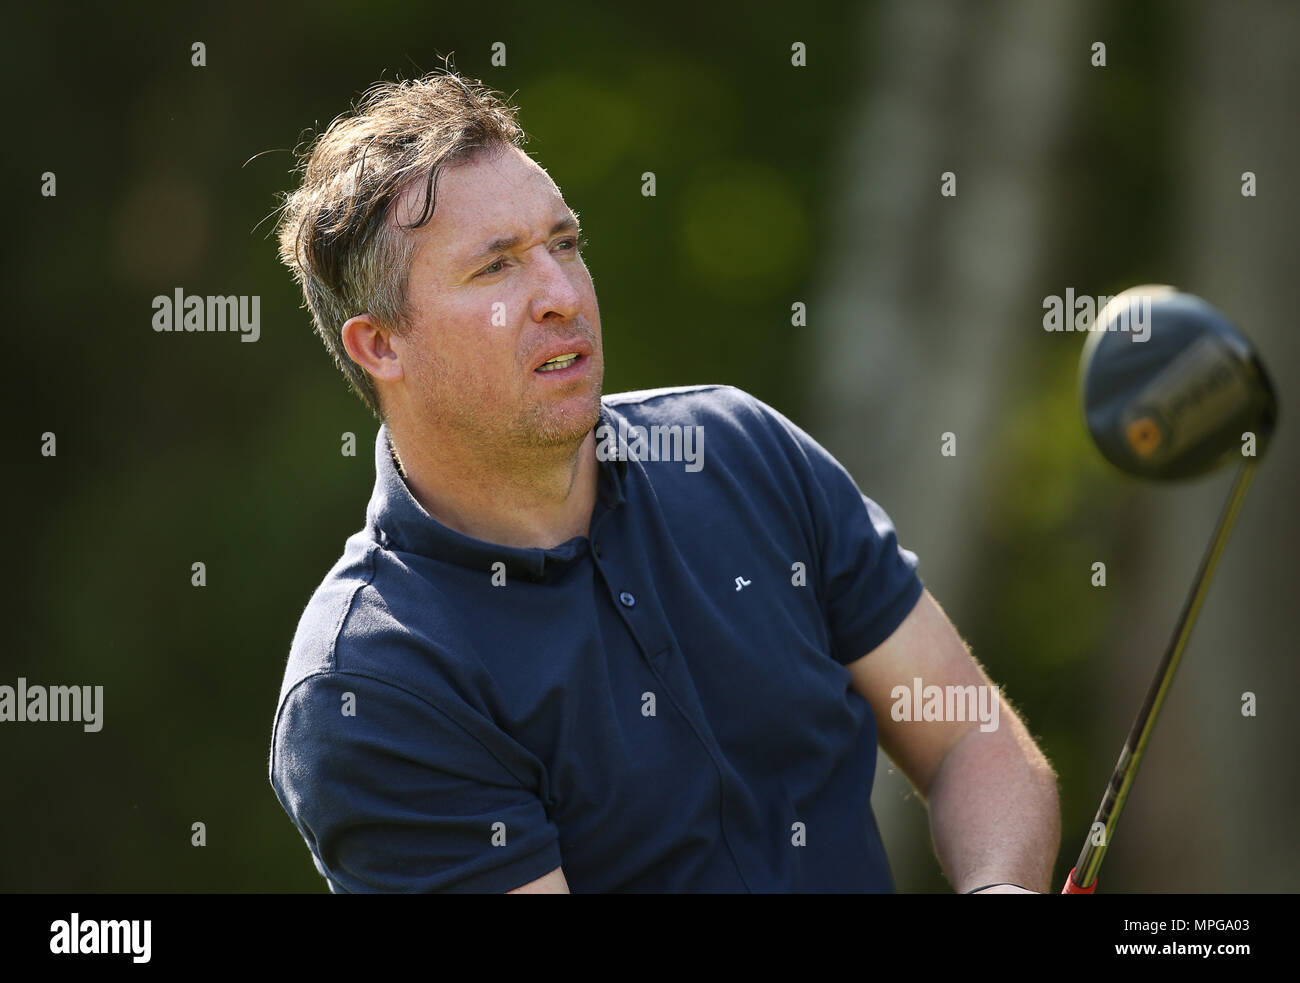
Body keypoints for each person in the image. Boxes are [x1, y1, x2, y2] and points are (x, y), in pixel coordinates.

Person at [268, 70, 1060, 894]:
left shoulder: (739, 451)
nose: (562, 295)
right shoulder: (370, 686)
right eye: (497, 267)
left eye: (565, 244)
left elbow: (972, 736)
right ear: (381, 346)